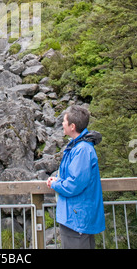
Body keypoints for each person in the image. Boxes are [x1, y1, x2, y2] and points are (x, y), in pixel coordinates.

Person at [47, 105, 105, 249]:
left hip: (76, 217)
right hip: (77, 215)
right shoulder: (79, 146)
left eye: (64, 121)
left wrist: (55, 184)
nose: (61, 123)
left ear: (72, 126)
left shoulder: (82, 150)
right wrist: (58, 180)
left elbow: (74, 184)